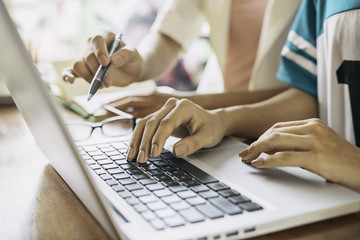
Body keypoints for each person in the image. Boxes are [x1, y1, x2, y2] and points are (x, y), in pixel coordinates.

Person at [124, 0, 360, 193]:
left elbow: (312, 96)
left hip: (317, 163)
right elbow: (309, 92)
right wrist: (221, 119)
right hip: (324, 182)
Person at [62, 0, 302, 118]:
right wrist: (138, 65)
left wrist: (189, 104)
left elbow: (310, 96)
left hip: (287, 131)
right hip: (213, 128)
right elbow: (170, 34)